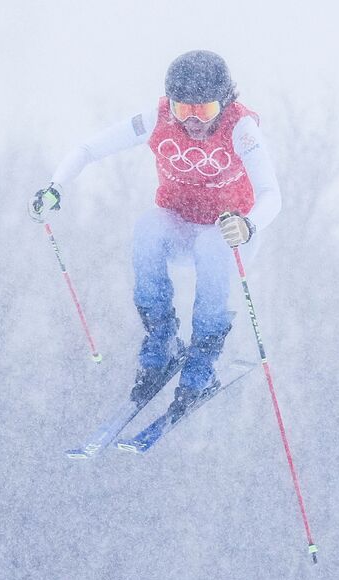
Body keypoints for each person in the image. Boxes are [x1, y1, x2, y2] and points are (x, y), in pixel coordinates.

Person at [28, 50, 281, 417]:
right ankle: (161, 340)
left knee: (211, 247)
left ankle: (202, 363)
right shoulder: (157, 119)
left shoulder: (241, 129)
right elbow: (89, 149)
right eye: (184, 109)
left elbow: (272, 194)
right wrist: (56, 186)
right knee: (148, 228)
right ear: (171, 104)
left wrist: (248, 224)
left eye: (205, 110)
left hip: (231, 233)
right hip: (182, 225)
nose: (193, 121)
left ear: (224, 103)